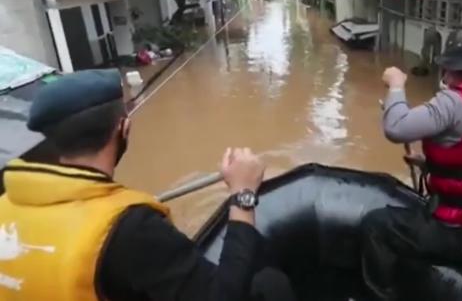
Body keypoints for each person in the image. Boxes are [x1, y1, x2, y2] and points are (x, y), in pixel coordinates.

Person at [0, 69, 295, 301]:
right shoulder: (130, 227)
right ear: (123, 128)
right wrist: (243, 195)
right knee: (270, 284)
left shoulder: (6, 205)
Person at [361, 36, 462, 300]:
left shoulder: (453, 102)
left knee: (376, 224)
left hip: (461, 234)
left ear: (453, 70)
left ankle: (380, 295)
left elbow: (396, 127)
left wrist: (396, 87)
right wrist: (428, 163)